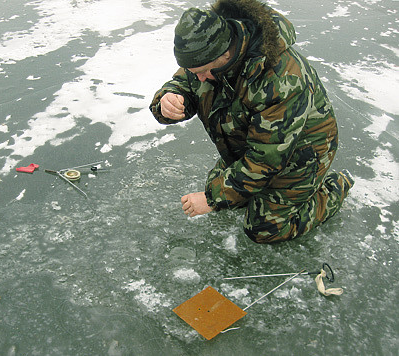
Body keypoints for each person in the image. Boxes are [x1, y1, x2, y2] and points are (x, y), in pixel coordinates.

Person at [149, 0, 354, 244]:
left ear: (225, 53)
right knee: (221, 191)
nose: (198, 77)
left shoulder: (280, 78)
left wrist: (212, 199)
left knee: (263, 228)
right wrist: (170, 99)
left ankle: (332, 189)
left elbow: (266, 160)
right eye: (192, 71)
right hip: (253, 142)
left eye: (202, 71)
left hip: (302, 152)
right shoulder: (206, 58)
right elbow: (185, 82)